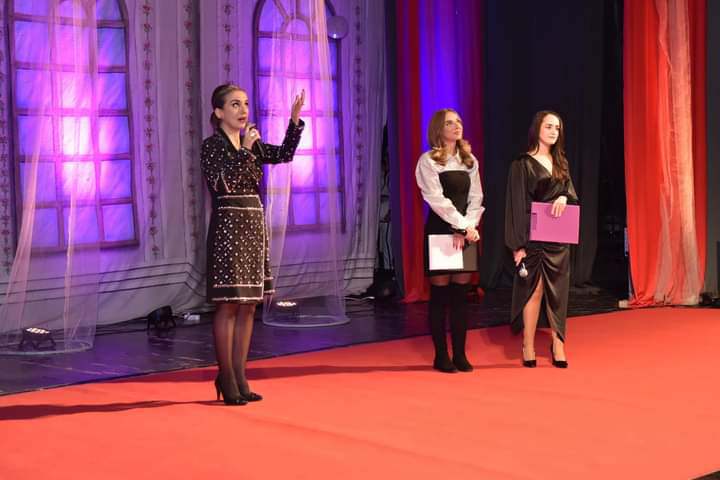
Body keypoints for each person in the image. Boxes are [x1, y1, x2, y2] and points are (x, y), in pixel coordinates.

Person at [201, 84, 305, 404]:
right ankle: (226, 376)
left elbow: (284, 154)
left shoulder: (253, 142)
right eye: (235, 104)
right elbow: (224, 184)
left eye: (245, 103)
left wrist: (294, 121)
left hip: (253, 227)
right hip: (228, 227)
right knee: (228, 304)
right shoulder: (212, 146)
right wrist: (245, 151)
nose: (243, 110)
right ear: (219, 112)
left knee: (248, 305)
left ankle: (240, 375)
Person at [505, 110, 578, 368]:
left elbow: (571, 193)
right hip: (533, 237)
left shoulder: (561, 163)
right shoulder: (522, 164)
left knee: (558, 292)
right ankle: (528, 344)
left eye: (557, 128)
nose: (553, 132)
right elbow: (516, 206)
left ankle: (558, 343)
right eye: (549, 126)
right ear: (537, 128)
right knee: (533, 291)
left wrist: (564, 197)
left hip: (558, 239)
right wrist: (518, 246)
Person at [415, 108, 484, 373]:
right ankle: (441, 355)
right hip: (441, 231)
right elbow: (437, 200)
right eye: (449, 123)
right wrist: (462, 225)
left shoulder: (469, 160)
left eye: (459, 122)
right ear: (438, 129)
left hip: (465, 232)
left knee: (460, 297)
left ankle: (460, 354)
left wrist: (470, 225)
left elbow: (476, 197)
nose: (457, 126)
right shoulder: (428, 161)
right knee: (440, 296)